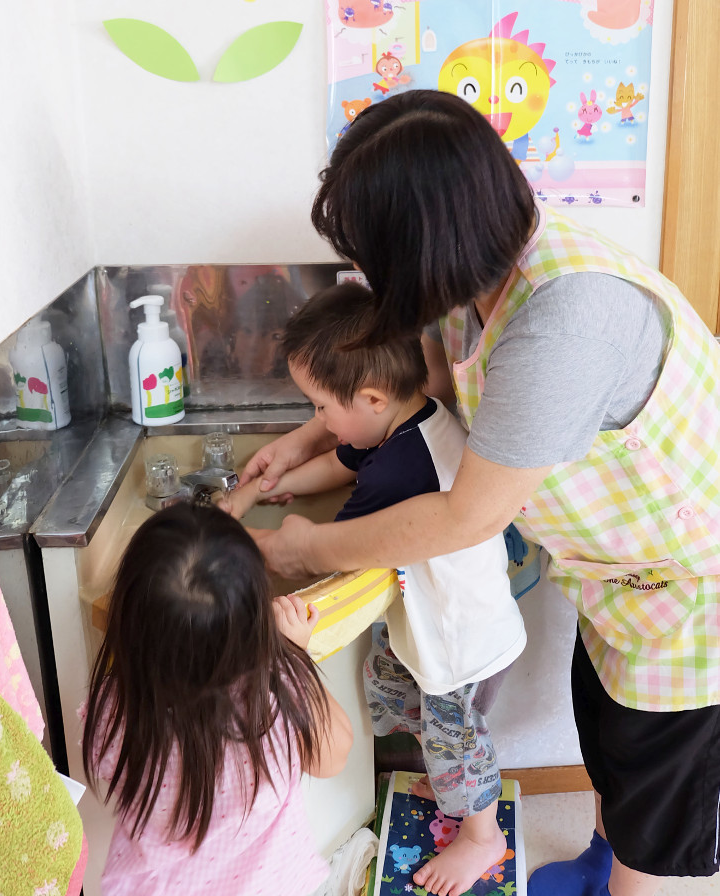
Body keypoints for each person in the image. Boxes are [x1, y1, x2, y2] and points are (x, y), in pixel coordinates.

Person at [239, 89, 720, 896]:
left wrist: (305, 547)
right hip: (616, 577)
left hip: (691, 591)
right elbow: (418, 382)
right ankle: (600, 864)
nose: (374, 278)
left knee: (657, 801)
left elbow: (468, 515)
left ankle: (630, 879)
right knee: (611, 745)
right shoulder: (487, 275)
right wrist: (305, 438)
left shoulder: (561, 324)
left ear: (426, 246)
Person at [222, 281, 526, 896]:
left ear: (371, 398)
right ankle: (440, 775)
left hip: (460, 646)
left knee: (459, 744)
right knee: (391, 688)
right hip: (430, 623)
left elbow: (328, 551)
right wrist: (281, 484)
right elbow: (342, 461)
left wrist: (234, 538)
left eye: (320, 408)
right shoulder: (411, 419)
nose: (318, 422)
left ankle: (481, 835)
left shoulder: (400, 471)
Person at [81, 502, 352, 896]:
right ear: (255, 622)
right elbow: (334, 756)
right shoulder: (272, 699)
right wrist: (293, 655)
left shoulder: (115, 709)